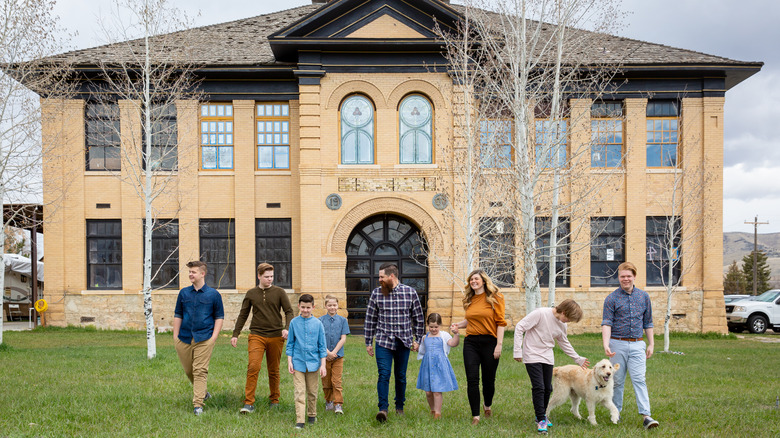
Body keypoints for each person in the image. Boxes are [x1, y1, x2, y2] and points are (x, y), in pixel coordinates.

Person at [513, 299, 590, 433]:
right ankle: (542, 419)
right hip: (532, 354)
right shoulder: (540, 313)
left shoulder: (562, 324)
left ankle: (540, 415)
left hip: (547, 357)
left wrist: (578, 358)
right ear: (564, 311)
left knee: (548, 388)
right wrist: (517, 350)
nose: (567, 322)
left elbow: (564, 342)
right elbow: (520, 327)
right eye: (568, 319)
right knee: (539, 387)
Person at [601, 261, 660, 430]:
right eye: (622, 276)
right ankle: (616, 413)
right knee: (617, 381)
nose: (625, 279)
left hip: (637, 345)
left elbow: (648, 322)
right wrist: (606, 344)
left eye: (628, 276)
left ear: (634, 277)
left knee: (639, 379)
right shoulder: (611, 298)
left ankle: (646, 416)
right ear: (618, 278)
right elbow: (606, 323)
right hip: (617, 344)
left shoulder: (644, 297)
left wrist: (651, 344)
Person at [364, 262, 425, 423]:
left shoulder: (410, 293)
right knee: (383, 374)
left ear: (392, 276)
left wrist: (418, 340)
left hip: (403, 342)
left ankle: (399, 408)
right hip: (383, 341)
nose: (379, 280)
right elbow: (370, 319)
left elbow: (418, 318)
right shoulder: (377, 294)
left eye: (382, 277)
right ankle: (383, 409)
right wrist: (368, 342)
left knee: (401, 376)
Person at [231, 263, 294, 413]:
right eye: (266, 277)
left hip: (276, 336)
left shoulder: (279, 292)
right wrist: (235, 334)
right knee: (253, 367)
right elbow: (243, 314)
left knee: (274, 370)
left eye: (271, 276)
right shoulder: (251, 293)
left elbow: (289, 312)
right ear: (259, 276)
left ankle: (274, 400)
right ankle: (248, 403)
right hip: (256, 335)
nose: (270, 279)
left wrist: (287, 329)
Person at [451, 269, 507, 425]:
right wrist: (458, 325)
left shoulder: (496, 298)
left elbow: (500, 323)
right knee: (472, 380)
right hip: (471, 343)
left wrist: (499, 345)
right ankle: (475, 415)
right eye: (471, 280)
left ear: (483, 281)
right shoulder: (469, 299)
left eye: (476, 279)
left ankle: (487, 404)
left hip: (490, 342)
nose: (473, 281)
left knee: (489, 381)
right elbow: (470, 320)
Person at [173, 261, 224, 416]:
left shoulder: (213, 295)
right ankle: (203, 392)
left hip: (204, 338)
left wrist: (213, 337)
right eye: (189, 272)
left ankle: (198, 405)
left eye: (193, 272)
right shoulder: (183, 293)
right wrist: (175, 337)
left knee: (199, 371)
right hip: (184, 338)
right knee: (189, 370)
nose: (190, 274)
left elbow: (219, 317)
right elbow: (178, 314)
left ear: (203, 274)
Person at [286, 294, 327, 429]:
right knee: (299, 391)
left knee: (312, 391)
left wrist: (323, 365)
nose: (305, 310)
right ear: (299, 306)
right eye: (303, 307)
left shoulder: (318, 324)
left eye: (308, 307)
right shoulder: (293, 323)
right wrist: (289, 361)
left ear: (313, 307)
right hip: (298, 363)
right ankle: (300, 420)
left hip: (314, 364)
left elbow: (322, 346)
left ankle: (312, 415)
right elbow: (290, 343)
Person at [416, 313, 460, 419]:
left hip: (439, 365)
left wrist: (456, 334)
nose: (433, 329)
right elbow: (422, 350)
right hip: (427, 365)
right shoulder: (425, 337)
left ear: (439, 325)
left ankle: (437, 413)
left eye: (436, 327)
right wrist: (415, 347)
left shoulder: (444, 335)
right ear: (428, 325)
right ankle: (432, 409)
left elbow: (453, 343)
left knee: (436, 390)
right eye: (431, 327)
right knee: (428, 392)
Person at [319, 294, 350, 415]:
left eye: (334, 305)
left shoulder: (343, 321)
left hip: (338, 357)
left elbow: (343, 339)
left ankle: (338, 404)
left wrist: (334, 352)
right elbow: (319, 339)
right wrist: (327, 353)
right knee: (326, 381)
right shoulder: (320, 321)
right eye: (330, 305)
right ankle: (329, 401)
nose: (332, 307)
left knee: (336, 381)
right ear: (326, 306)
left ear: (338, 306)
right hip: (324, 357)